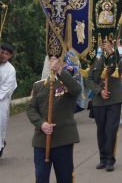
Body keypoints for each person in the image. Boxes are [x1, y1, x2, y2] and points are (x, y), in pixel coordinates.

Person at [27, 55, 82, 183]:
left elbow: (77, 90)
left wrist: (60, 71)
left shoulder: (69, 83)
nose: (52, 63)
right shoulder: (38, 85)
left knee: (65, 178)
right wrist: (41, 124)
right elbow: (31, 108)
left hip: (63, 139)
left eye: (56, 60)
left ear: (62, 63)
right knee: (41, 178)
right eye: (50, 60)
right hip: (42, 140)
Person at [87, 39, 122, 172]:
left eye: (107, 42)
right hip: (99, 101)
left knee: (111, 130)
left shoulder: (116, 58)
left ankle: (110, 159)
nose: (104, 45)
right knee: (101, 131)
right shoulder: (95, 60)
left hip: (114, 99)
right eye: (102, 43)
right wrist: (99, 91)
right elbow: (90, 79)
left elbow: (120, 69)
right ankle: (102, 158)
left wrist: (111, 53)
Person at [0, 43, 17, 158]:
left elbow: (6, 88)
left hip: (1, 102)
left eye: (7, 54)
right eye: (2, 52)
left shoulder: (10, 70)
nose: (4, 55)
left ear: (10, 56)